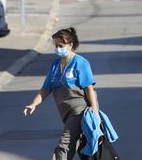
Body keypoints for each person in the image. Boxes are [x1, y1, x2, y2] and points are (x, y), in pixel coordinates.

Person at [22, 27, 99, 159]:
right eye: (56, 45)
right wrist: (34, 104)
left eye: (61, 45)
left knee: (64, 145)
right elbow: (46, 88)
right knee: (82, 149)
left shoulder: (80, 63)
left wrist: (95, 111)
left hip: (79, 112)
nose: (57, 48)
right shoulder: (55, 65)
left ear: (71, 45)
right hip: (65, 114)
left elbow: (89, 89)